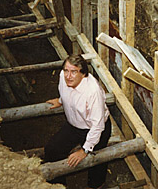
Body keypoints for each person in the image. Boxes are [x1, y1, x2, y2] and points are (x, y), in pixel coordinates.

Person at [44, 54, 111, 189]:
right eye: (66, 70)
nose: (68, 76)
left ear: (83, 74)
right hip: (74, 124)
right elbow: (64, 91)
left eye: (74, 72)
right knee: (52, 149)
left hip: (95, 128)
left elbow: (97, 126)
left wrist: (84, 150)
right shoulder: (63, 77)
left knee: (97, 160)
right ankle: (59, 185)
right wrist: (61, 101)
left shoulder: (93, 92)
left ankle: (95, 186)